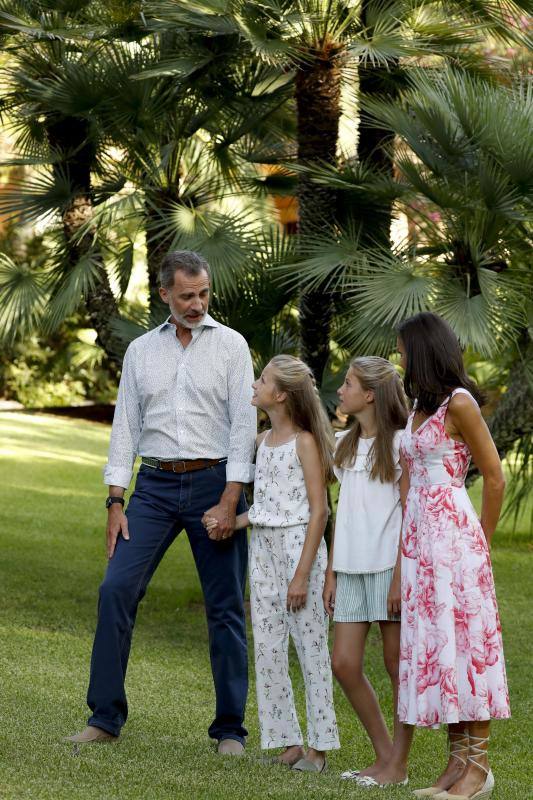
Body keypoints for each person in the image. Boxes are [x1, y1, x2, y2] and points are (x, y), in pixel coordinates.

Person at [66, 250, 257, 755]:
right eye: (188, 295)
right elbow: (125, 426)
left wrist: (231, 497)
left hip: (215, 483)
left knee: (225, 607)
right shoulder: (141, 352)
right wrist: (115, 499)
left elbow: (244, 426)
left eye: (204, 293)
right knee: (115, 589)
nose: (198, 304)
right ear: (165, 295)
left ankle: (230, 729)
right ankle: (104, 717)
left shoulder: (233, 347)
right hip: (152, 487)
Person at [205, 355, 339, 771]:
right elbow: (264, 509)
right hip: (262, 549)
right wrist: (228, 520)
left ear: (280, 394)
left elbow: (319, 511)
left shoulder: (306, 442)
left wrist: (302, 575)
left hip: (300, 549)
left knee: (311, 646)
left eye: (262, 380)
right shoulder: (261, 443)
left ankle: (318, 747)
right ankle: (288, 741)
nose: (255, 384)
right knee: (267, 645)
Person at [396, 312, 510, 800]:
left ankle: (479, 770)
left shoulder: (460, 404)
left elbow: (494, 475)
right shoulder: (419, 404)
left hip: (455, 541)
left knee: (467, 646)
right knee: (441, 649)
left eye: (402, 348)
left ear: (421, 350)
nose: (398, 356)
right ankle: (454, 764)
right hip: (422, 542)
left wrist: (480, 540)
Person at [322, 356, 413, 788]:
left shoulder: (400, 445)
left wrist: (399, 576)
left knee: (397, 666)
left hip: (388, 568)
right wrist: (331, 573)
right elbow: (343, 513)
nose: (341, 390)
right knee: (343, 663)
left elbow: (410, 513)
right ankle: (384, 755)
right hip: (351, 568)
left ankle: (397, 765)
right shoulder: (343, 444)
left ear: (370, 394)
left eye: (349, 383)